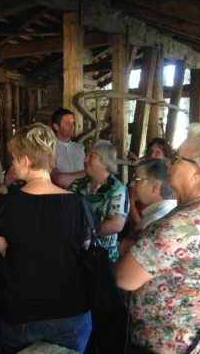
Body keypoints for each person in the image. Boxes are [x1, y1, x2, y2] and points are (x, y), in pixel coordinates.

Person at [116, 123, 200, 353]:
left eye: (176, 158)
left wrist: (136, 240)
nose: (167, 162)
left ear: (198, 172)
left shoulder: (181, 226)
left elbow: (124, 277)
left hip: (168, 346)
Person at [0, 123, 91, 353]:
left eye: (14, 159)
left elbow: (5, 251)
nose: (13, 165)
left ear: (25, 161)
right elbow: (84, 248)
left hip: (19, 312)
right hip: (70, 309)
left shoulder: (5, 206)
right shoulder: (78, 204)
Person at [68, 139, 129, 354]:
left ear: (104, 161)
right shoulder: (77, 185)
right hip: (77, 258)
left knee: (102, 310)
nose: (85, 159)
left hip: (103, 260)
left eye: (90, 156)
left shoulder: (117, 188)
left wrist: (83, 235)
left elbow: (116, 224)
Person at [118, 158, 177, 256]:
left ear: (155, 186)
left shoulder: (154, 221)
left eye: (137, 180)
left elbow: (123, 250)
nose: (132, 184)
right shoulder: (171, 210)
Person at [128, 138, 173, 227]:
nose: (152, 155)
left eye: (157, 153)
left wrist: (142, 227)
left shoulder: (171, 183)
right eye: (150, 152)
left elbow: (132, 206)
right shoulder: (140, 177)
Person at [50, 108, 86, 188]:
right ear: (56, 127)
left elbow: (90, 174)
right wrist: (85, 173)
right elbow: (58, 179)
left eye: (73, 122)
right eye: (67, 123)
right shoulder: (49, 149)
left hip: (81, 196)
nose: (72, 126)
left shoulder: (79, 148)